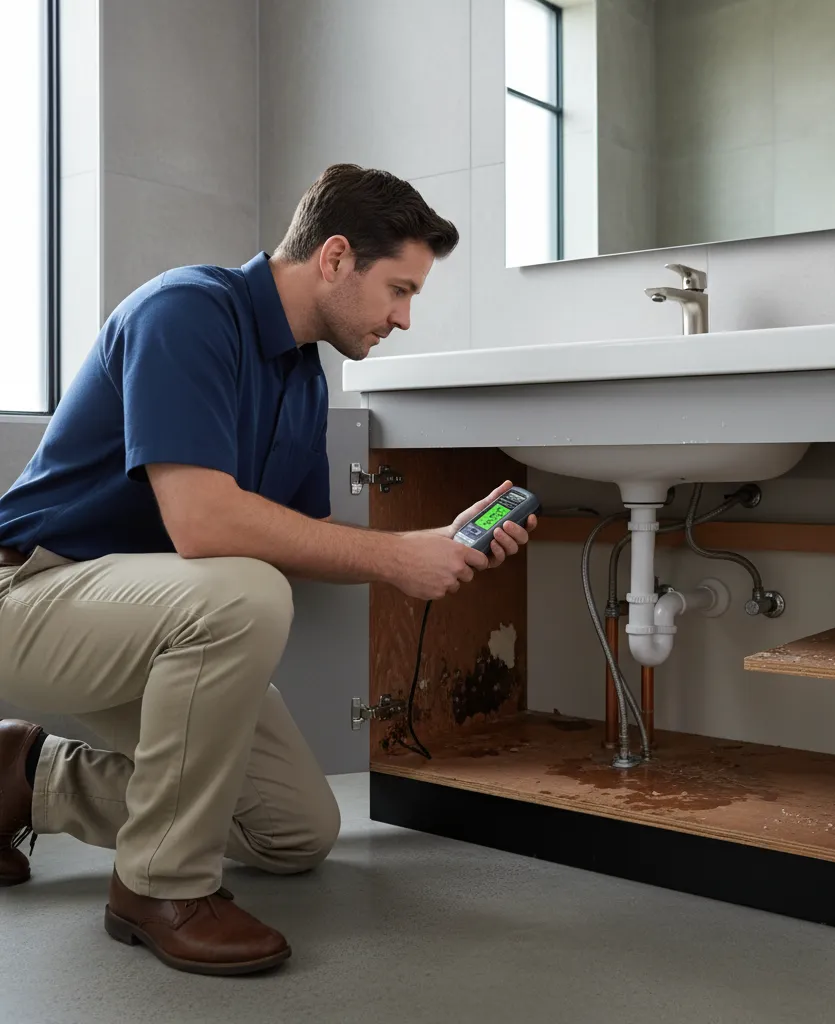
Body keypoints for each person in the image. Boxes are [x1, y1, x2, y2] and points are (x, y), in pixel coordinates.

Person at [0, 163, 535, 977]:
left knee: (294, 832)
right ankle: (158, 886)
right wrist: (394, 557)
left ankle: (24, 775)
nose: (404, 317)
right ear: (334, 257)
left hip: (147, 621)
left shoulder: (300, 376)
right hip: (30, 593)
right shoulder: (186, 312)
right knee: (244, 590)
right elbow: (205, 522)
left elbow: (301, 537)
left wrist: (433, 544)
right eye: (399, 289)